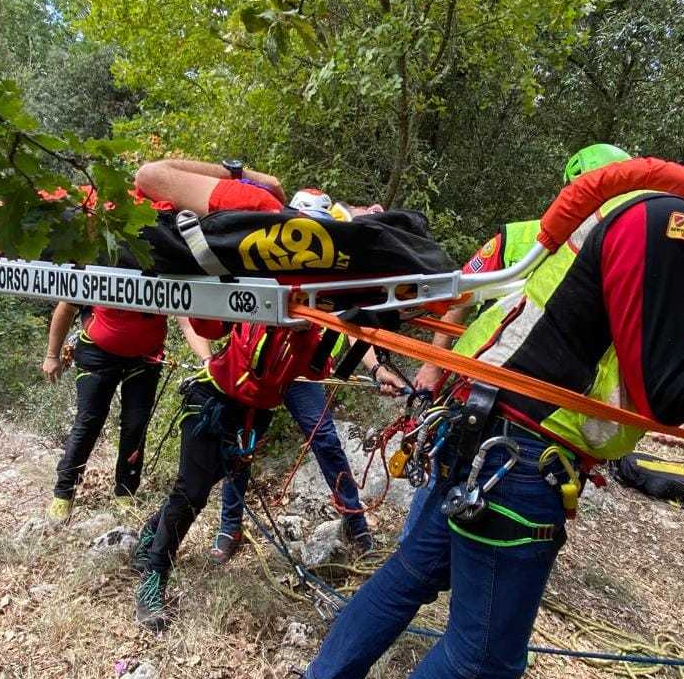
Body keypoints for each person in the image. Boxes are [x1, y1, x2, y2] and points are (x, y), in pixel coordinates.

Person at [280, 66, 684, 679]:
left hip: (486, 430)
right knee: (481, 662)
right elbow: (668, 397)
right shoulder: (675, 225)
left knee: (412, 572)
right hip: (519, 459)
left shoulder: (650, 207)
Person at [130, 165, 408, 632]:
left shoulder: (319, 302)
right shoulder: (253, 283)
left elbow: (339, 343)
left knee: (210, 479)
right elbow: (207, 317)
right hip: (214, 399)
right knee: (193, 489)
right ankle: (153, 576)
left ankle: (148, 537)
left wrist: (379, 369)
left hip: (257, 412)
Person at [402, 144, 630, 541]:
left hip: (548, 410)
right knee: (440, 492)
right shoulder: (521, 239)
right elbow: (460, 299)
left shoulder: (624, 259)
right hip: (480, 390)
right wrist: (433, 364)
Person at [41, 303, 173, 521]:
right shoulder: (101, 267)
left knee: (135, 425)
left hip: (145, 356)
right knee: (89, 422)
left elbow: (186, 316)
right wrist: (52, 354)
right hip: (97, 351)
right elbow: (66, 307)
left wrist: (207, 360)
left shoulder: (162, 269)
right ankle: (63, 493)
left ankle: (125, 493)